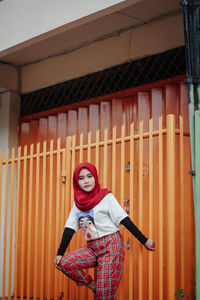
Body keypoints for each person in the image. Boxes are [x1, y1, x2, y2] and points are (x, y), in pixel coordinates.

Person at [54, 162, 155, 300]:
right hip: (92, 248)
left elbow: (124, 219)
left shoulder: (106, 197)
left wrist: (144, 240)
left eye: (89, 176)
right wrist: (60, 253)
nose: (86, 181)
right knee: (65, 263)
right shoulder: (77, 204)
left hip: (111, 246)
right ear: (76, 182)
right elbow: (69, 228)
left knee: (103, 296)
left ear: (95, 177)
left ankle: (101, 290)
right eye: (81, 178)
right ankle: (93, 284)